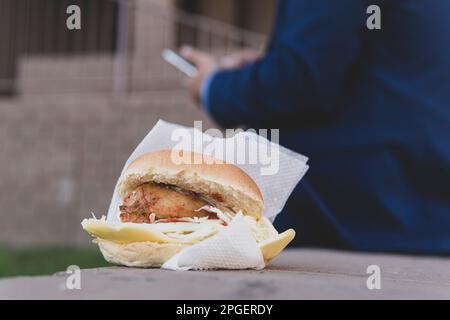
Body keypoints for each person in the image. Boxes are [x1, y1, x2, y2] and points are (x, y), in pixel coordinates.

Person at [180, 0, 450, 253]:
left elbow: (299, 80)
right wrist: (263, 68)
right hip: (416, 210)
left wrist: (213, 84)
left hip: (355, 214)